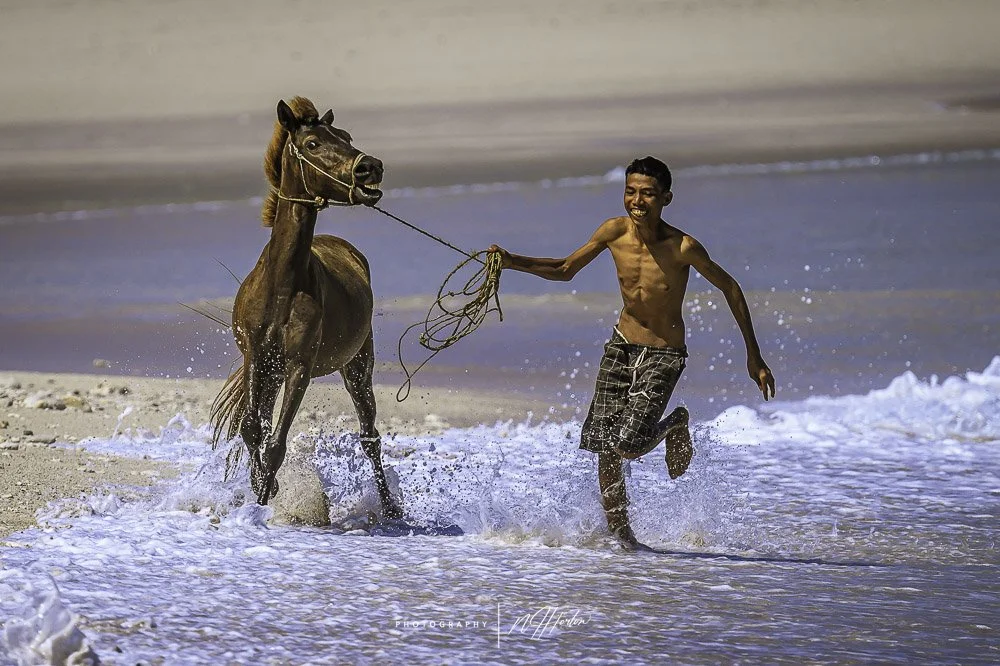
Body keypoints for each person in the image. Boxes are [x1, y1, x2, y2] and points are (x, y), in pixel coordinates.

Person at [489, 156, 775, 550]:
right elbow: (566, 268)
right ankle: (623, 541)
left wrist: (753, 356)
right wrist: (510, 262)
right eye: (631, 192)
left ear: (666, 198)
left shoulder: (683, 247)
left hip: (663, 354)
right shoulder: (613, 232)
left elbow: (731, 288)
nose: (637, 201)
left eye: (648, 194)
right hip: (621, 346)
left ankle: (675, 424)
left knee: (628, 445)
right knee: (605, 449)